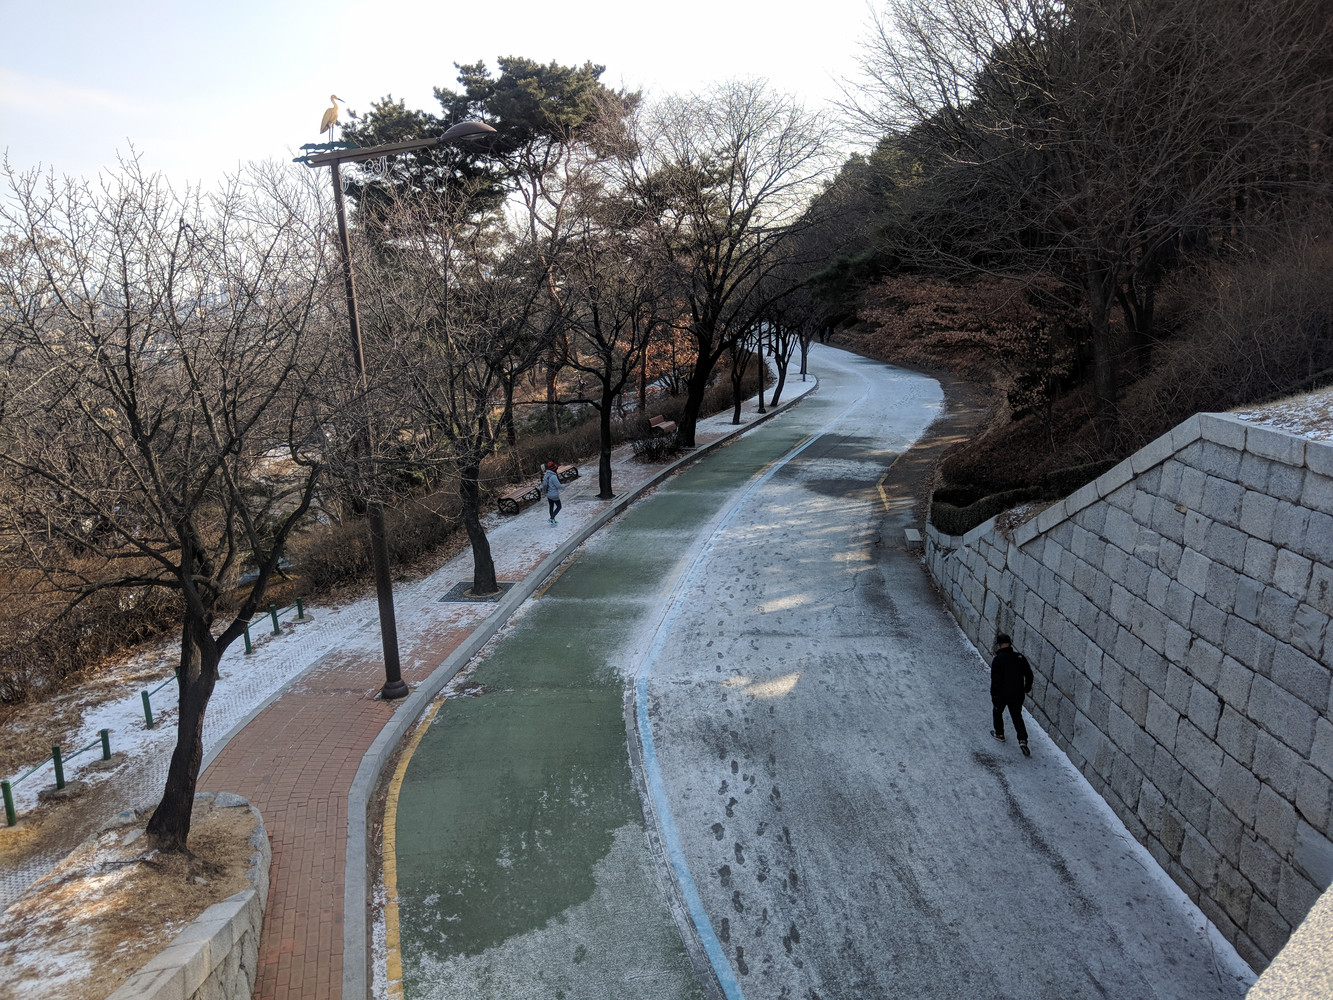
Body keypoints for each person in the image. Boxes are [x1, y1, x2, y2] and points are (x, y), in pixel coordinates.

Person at [989, 633, 1034, 756]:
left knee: (997, 712)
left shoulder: (998, 660)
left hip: (1002, 694)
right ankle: (1022, 740)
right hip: (1017, 693)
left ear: (999, 645)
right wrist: (1027, 688)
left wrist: (994, 696)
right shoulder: (1019, 657)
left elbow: (996, 680)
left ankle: (999, 733)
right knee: (1017, 716)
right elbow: (1029, 674)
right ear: (1010, 643)